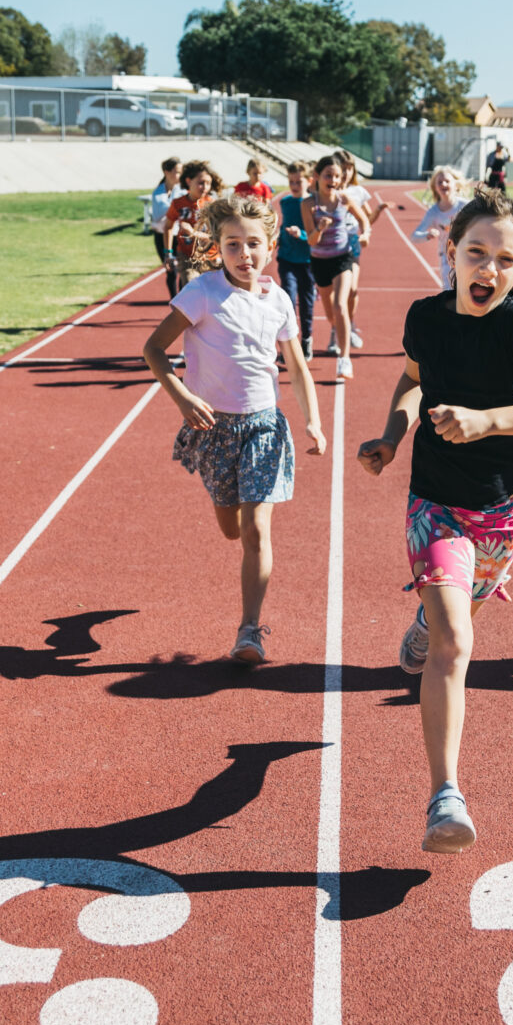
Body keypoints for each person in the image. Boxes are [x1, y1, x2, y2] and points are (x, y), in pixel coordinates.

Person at [357, 192, 513, 852]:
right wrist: (391, 437)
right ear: (451, 252)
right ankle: (444, 795)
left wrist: (489, 421)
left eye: (504, 259)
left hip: (504, 510)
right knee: (457, 644)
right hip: (434, 502)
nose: (488, 267)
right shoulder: (425, 317)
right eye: (476, 252)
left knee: (451, 627)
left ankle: (427, 621)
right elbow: (413, 381)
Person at [144, 194, 328, 666]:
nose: (243, 254)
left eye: (252, 244)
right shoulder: (202, 292)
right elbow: (153, 349)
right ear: (218, 248)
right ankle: (225, 507)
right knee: (231, 528)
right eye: (232, 245)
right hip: (213, 427)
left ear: (270, 247)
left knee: (256, 531)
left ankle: (250, 630)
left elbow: (298, 367)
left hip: (265, 427)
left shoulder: (279, 300)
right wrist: (183, 396)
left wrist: (313, 421)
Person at [304, 154, 366, 380]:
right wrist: (319, 228)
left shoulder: (344, 199)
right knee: (332, 315)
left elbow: (363, 220)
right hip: (320, 261)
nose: (333, 180)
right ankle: (342, 329)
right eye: (328, 175)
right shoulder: (309, 204)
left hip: (343, 258)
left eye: (337, 176)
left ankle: (344, 359)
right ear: (317, 177)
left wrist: (366, 233)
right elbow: (311, 240)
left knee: (341, 305)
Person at [336, 149, 378, 361]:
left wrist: (367, 231)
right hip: (330, 245)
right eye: (342, 168)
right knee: (333, 295)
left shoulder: (357, 192)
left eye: (349, 168)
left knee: (352, 291)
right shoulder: (327, 191)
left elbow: (368, 219)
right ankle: (338, 329)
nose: (345, 173)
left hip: (352, 243)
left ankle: (349, 326)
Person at [276, 160, 317, 360]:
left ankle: (307, 340)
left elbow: (315, 232)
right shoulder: (285, 202)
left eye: (298, 181)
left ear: (308, 181)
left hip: (308, 261)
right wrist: (277, 239)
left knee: (307, 303)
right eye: (291, 181)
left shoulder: (313, 204)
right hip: (287, 259)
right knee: (288, 301)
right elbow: (284, 224)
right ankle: (289, 347)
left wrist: (300, 233)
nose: (294, 185)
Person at [163, 159, 219, 295]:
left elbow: (219, 232)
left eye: (208, 184)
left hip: (210, 257)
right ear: (188, 181)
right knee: (192, 288)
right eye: (201, 183)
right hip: (186, 255)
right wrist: (168, 253)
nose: (205, 187)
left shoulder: (213, 205)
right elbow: (168, 227)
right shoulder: (178, 204)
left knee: (212, 295)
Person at [409, 165, 467, 287]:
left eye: (447, 181)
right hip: (448, 260)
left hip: (468, 256)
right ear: (435, 187)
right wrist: (427, 235)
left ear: (455, 184)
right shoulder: (433, 212)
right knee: (449, 295)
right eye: (439, 182)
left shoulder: (465, 206)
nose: (443, 184)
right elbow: (414, 236)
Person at [146, 156, 183, 289]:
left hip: (179, 235)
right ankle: (173, 300)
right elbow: (160, 216)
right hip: (161, 236)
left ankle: (183, 301)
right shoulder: (158, 193)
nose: (180, 175)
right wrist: (177, 208)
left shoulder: (183, 190)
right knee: (171, 270)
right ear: (167, 172)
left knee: (183, 270)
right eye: (177, 172)